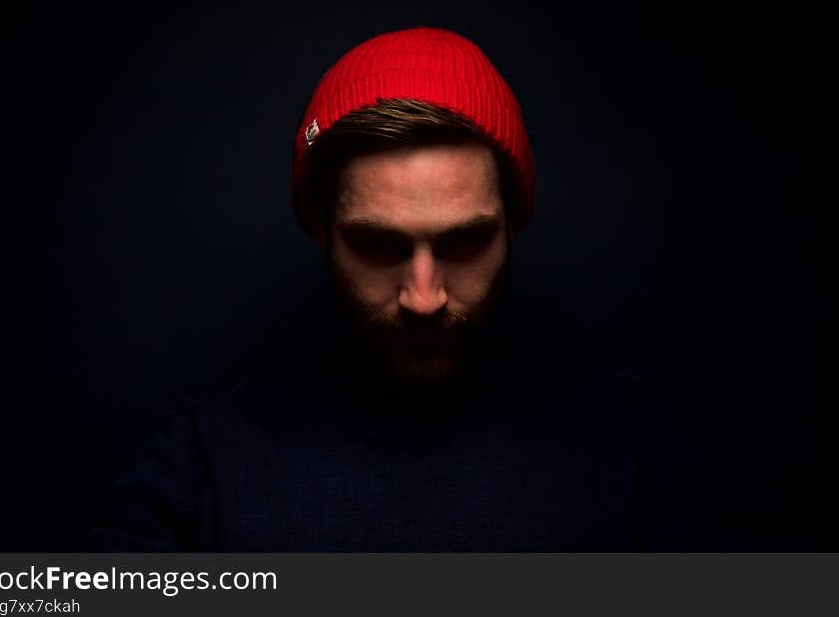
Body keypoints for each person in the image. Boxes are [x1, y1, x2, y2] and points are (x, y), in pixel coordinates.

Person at [87, 27, 728, 551]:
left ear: (514, 225)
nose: (424, 297)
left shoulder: (631, 458)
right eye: (378, 246)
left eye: (463, 243)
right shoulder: (207, 461)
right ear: (321, 232)